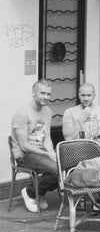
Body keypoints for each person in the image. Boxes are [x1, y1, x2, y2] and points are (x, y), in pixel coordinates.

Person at [11, 80, 58, 212]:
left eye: (48, 94)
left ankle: (39, 193)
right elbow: (24, 146)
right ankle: (30, 192)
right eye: (42, 93)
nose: (46, 97)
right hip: (24, 155)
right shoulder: (22, 112)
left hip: (40, 152)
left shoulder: (47, 111)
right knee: (56, 170)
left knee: (64, 166)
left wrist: (52, 152)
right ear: (33, 93)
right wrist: (47, 154)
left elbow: (46, 138)